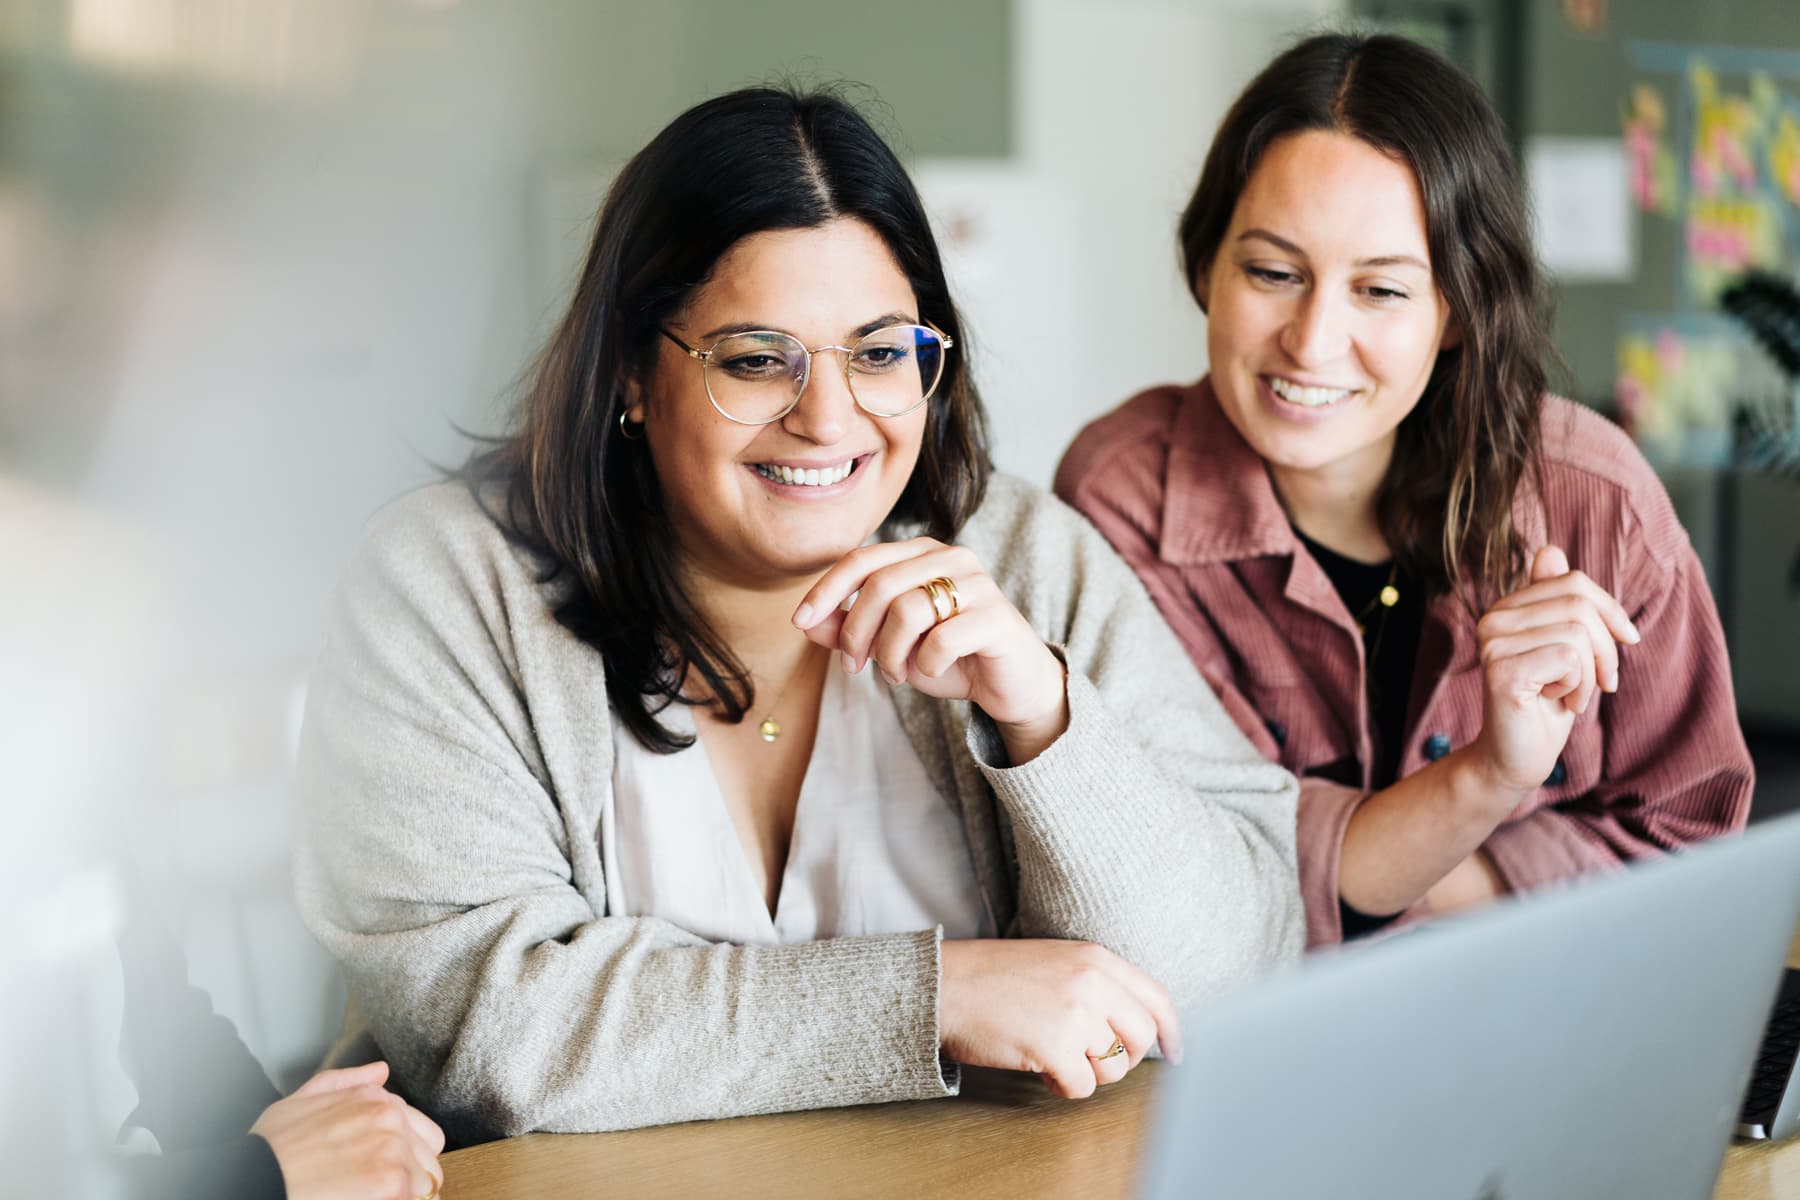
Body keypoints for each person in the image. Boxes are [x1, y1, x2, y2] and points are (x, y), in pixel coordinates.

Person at [293, 86, 1303, 1141]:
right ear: (634, 372)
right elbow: (485, 1028)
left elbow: (1242, 961)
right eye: (756, 359)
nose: (828, 418)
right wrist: (935, 999)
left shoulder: (1018, 552)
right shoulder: (446, 584)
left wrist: (1047, 721)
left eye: (878, 353)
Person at [1055, 33, 1752, 950]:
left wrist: (1369, 882)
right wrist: (1493, 782)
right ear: (1205, 268)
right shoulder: (1123, 499)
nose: (1311, 342)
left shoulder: (1596, 498)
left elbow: (1695, 842)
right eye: (1272, 273)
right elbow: (1202, 869)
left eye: (1380, 291)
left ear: (1454, 313)